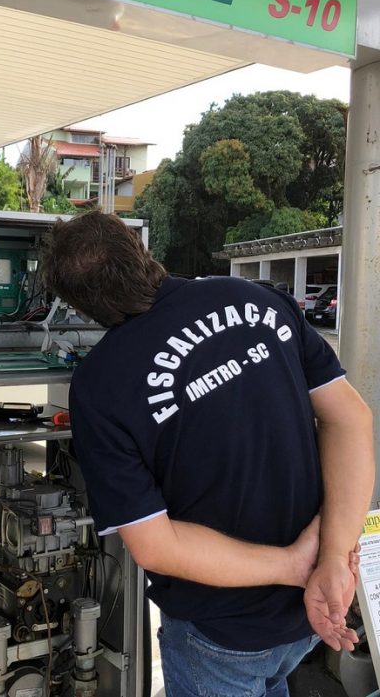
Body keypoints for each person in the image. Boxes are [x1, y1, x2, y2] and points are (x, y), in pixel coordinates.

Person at [42, 211, 374, 697]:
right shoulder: (257, 301)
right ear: (141, 254)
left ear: (79, 304)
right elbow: (350, 419)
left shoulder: (101, 384)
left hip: (221, 633)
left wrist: (296, 564)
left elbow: (156, 545)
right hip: (313, 611)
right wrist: (330, 557)